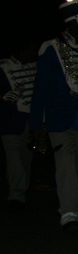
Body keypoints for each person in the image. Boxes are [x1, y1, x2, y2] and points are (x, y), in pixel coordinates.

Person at [29, 0, 78, 229]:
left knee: (76, 165)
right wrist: (36, 125)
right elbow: (40, 89)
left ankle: (66, 199)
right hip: (58, 117)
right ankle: (69, 212)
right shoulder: (50, 48)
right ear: (72, 22)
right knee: (66, 164)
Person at [1, 41, 38, 211]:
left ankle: (20, 192)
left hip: (28, 119)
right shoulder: (3, 68)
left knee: (25, 157)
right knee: (14, 158)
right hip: (9, 120)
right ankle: (16, 195)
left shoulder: (34, 67)